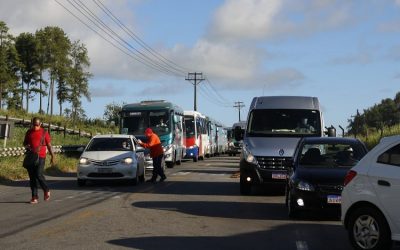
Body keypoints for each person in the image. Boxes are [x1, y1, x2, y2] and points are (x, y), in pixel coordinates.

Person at [23, 117, 55, 204]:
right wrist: (28, 147)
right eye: (34, 125)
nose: (35, 127)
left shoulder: (44, 132)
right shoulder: (29, 132)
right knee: (32, 177)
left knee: (38, 174)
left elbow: (49, 145)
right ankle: (34, 197)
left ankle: (46, 190)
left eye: (37, 125)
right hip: (32, 157)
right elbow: (25, 143)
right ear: (32, 124)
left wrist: (52, 156)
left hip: (41, 156)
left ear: (40, 124)